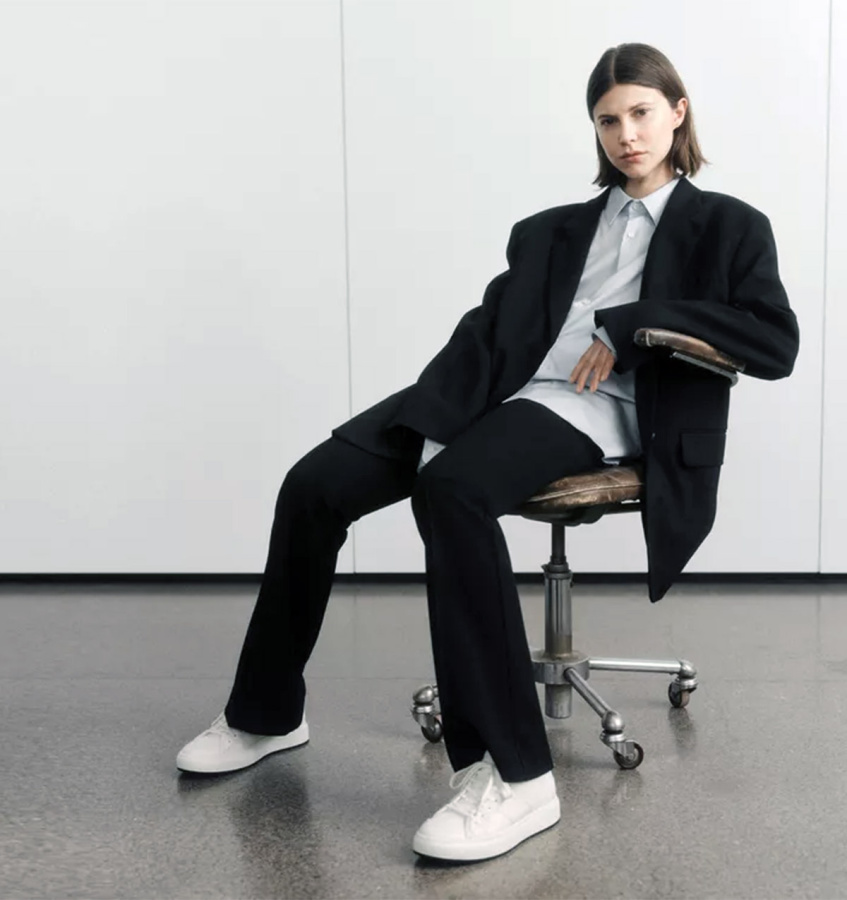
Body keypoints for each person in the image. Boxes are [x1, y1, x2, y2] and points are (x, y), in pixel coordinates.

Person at [176, 42, 799, 862]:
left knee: (452, 491)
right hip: (500, 391)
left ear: (676, 112)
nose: (626, 134)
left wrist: (633, 325)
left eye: (641, 113)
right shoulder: (549, 232)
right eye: (607, 120)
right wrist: (436, 413)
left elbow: (773, 342)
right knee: (314, 484)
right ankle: (265, 713)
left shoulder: (728, 226)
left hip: (601, 408)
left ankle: (515, 775)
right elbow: (486, 329)